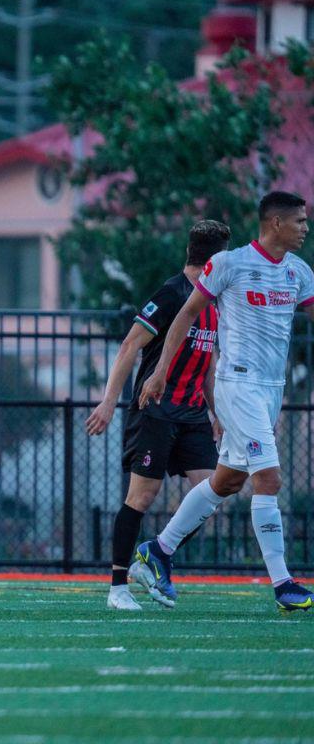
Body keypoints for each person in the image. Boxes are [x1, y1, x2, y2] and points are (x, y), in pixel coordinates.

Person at [138, 191, 314, 612]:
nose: (306, 229)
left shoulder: (300, 273)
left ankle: (158, 551)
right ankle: (283, 584)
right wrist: (160, 370)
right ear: (275, 224)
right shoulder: (229, 264)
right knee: (268, 479)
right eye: (300, 222)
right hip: (238, 385)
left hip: (271, 390)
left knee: (227, 482)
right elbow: (184, 315)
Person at [86, 220, 229, 611]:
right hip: (157, 412)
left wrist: (218, 413)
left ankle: (155, 554)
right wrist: (109, 401)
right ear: (215, 259)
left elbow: (209, 366)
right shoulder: (172, 294)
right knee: (142, 496)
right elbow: (131, 344)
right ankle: (118, 588)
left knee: (215, 491)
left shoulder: (213, 302)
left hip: (194, 415)